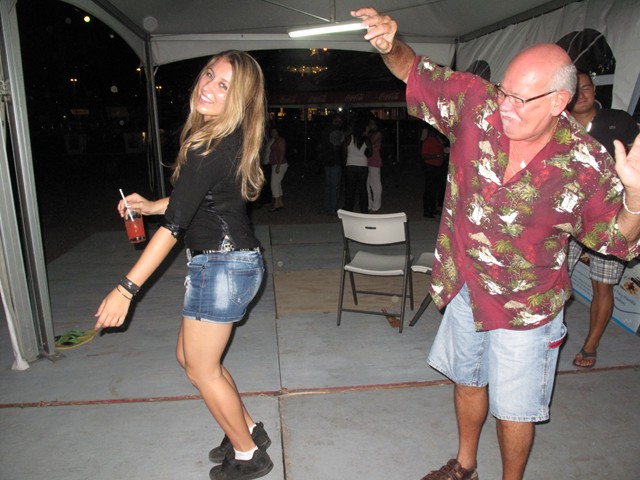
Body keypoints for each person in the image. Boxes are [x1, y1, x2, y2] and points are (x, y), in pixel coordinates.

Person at [352, 7, 640, 480]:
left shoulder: (583, 163)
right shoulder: (476, 103)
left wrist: (635, 196)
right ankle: (465, 465)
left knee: (515, 410)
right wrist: (389, 45)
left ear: (559, 101)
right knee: (467, 380)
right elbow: (415, 71)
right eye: (505, 90)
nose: (504, 105)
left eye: (520, 99)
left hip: (526, 308)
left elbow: (617, 240)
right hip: (465, 285)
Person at [94, 50, 273, 480]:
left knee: (200, 367)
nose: (208, 87)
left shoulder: (209, 146)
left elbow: (174, 227)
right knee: (191, 359)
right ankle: (248, 429)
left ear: (240, 99)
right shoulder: (224, 138)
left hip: (223, 266)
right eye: (209, 75)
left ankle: (249, 455)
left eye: (224, 85)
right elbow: (194, 203)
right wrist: (148, 205)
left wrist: (125, 290)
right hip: (230, 264)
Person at [567, 71, 640, 368]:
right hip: (567, 215)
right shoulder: (556, 123)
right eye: (576, 89)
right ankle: (546, 333)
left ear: (595, 90)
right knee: (552, 277)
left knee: (602, 286)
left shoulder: (618, 121)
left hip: (612, 218)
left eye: (587, 88)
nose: (582, 94)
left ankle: (591, 345)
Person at [343, 119, 370, 212]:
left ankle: (349, 208)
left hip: (351, 165)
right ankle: (364, 209)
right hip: (363, 166)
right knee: (362, 189)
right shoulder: (366, 139)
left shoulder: (349, 138)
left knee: (350, 189)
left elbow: (344, 151)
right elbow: (370, 153)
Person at [320, 114, 345, 215]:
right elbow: (336, 146)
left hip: (328, 161)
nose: (340, 122)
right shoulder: (336, 131)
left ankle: (326, 207)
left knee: (328, 186)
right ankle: (332, 208)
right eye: (339, 120)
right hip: (334, 161)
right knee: (334, 186)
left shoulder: (326, 130)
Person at [420, 124, 446, 217]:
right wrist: (438, 156)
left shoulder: (437, 139)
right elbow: (424, 156)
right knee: (429, 190)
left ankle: (432, 208)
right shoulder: (428, 141)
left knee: (434, 189)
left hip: (437, 166)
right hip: (430, 167)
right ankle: (427, 211)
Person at [365, 117, 383, 212]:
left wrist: (366, 133)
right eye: (370, 123)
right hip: (367, 160)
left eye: (372, 123)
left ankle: (376, 205)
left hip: (374, 159)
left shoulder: (378, 133)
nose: (370, 125)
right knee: (367, 183)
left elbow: (369, 142)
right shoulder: (370, 134)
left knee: (375, 183)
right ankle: (369, 203)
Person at [268, 127, 287, 212]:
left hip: (280, 164)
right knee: (277, 183)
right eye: (272, 132)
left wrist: (279, 165)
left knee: (274, 184)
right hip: (275, 164)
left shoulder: (280, 140)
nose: (273, 133)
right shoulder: (274, 140)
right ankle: (280, 203)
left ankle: (276, 204)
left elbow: (282, 152)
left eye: (274, 131)